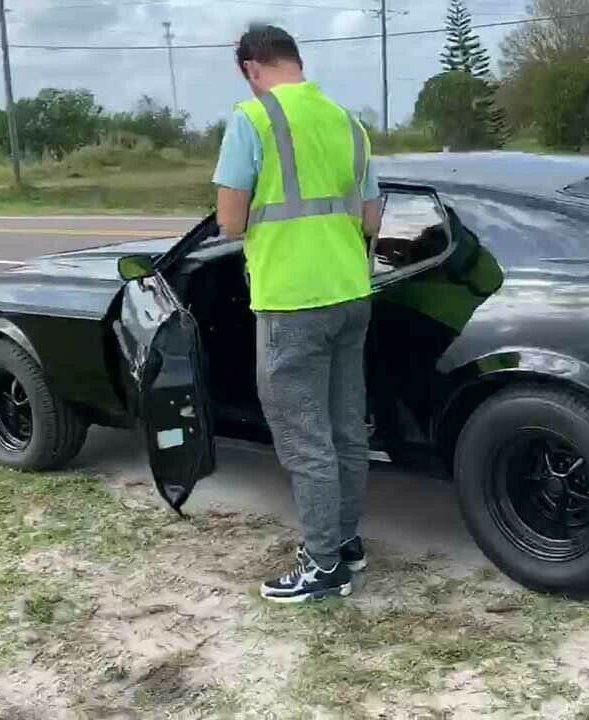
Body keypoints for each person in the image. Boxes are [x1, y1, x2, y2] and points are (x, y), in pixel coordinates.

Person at [212, 24, 383, 603]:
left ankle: (323, 564)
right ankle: (347, 542)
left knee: (304, 436)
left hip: (290, 301)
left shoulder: (251, 118)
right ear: (296, 59)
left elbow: (230, 222)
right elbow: (371, 218)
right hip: (350, 293)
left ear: (250, 68)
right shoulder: (348, 122)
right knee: (344, 430)